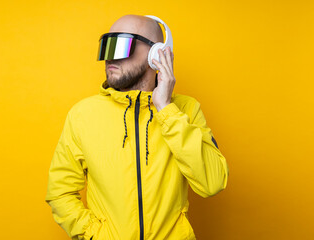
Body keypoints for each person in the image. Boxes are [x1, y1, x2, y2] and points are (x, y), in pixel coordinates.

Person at [45, 14, 229, 240]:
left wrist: (166, 109)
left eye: (121, 45)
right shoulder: (82, 115)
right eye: (107, 47)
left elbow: (212, 182)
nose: (110, 58)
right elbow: (60, 193)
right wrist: (95, 234)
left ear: (156, 54)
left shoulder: (186, 110)